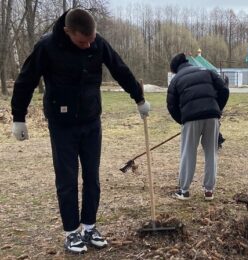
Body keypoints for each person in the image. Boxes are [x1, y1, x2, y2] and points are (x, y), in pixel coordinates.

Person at [11, 8, 150, 253]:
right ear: (67, 32)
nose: (88, 45)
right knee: (66, 179)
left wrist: (139, 98)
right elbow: (26, 79)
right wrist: (19, 117)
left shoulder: (97, 44)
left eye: (91, 40)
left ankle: (89, 227)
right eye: (81, 41)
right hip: (62, 124)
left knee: (92, 178)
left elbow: (119, 68)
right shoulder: (47, 47)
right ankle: (71, 232)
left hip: (91, 120)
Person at [167, 53, 229, 201]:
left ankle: (184, 191)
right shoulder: (207, 72)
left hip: (191, 118)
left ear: (175, 69)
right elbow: (224, 90)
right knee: (211, 152)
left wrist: (182, 120)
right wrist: (216, 110)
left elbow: (171, 105)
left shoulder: (176, 80)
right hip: (212, 116)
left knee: (188, 153)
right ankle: (209, 191)